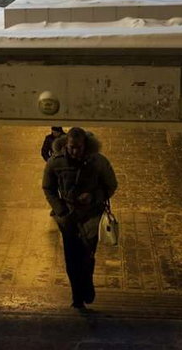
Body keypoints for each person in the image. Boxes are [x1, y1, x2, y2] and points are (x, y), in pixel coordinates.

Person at [42, 127, 117, 309]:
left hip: (91, 216)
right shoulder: (55, 163)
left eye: (79, 148)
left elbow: (111, 185)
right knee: (71, 257)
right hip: (68, 217)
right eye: (72, 147)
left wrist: (94, 196)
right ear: (66, 145)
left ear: (85, 146)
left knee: (86, 255)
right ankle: (77, 295)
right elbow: (48, 188)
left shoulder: (97, 162)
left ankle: (86, 285)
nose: (75, 151)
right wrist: (60, 210)